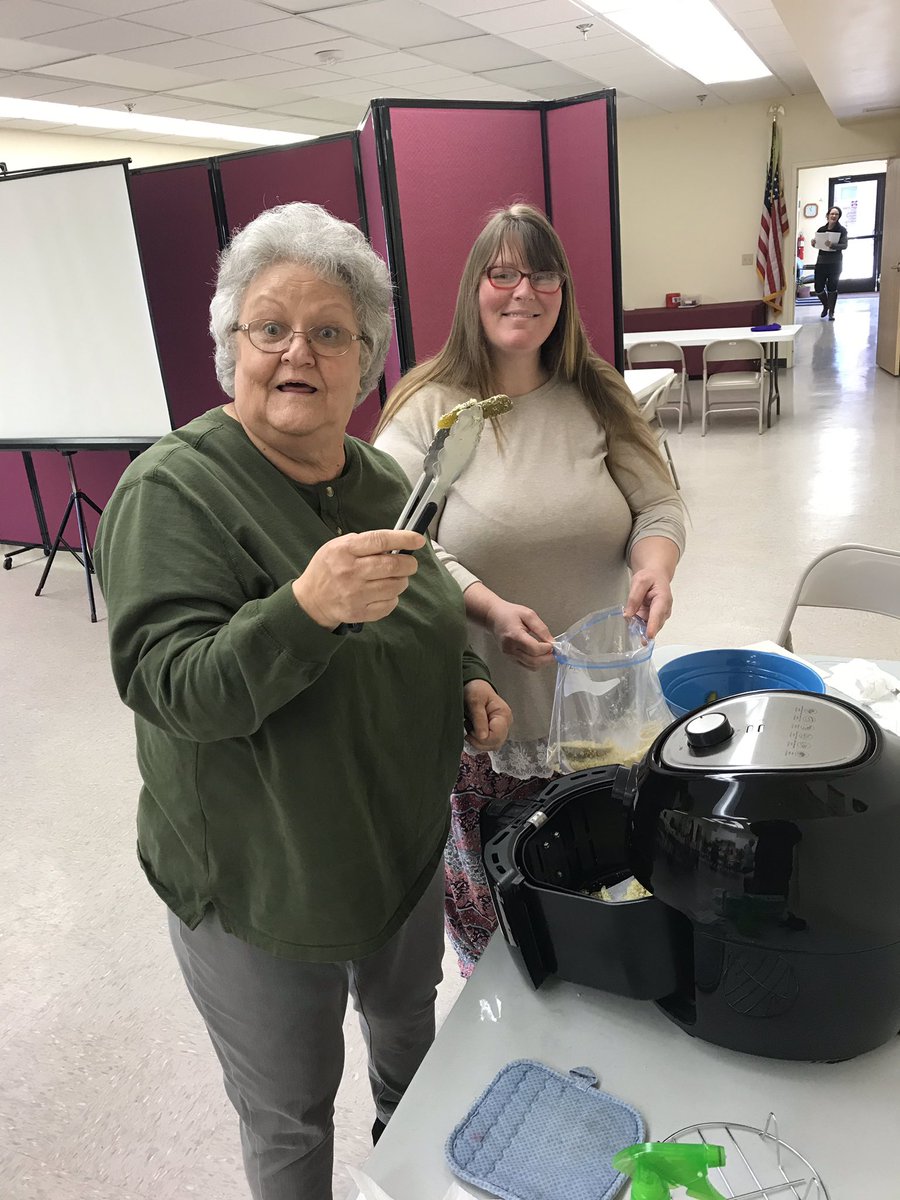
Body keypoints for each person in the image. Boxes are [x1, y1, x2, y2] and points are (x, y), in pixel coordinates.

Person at [94, 201, 511, 1200]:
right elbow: (168, 684)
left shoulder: (376, 478)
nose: (298, 353)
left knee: (410, 1037)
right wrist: (303, 610)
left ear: (364, 361)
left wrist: (462, 677)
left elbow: (417, 613)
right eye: (270, 327)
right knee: (289, 1112)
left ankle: (411, 1180)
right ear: (227, 347)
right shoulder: (174, 493)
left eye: (330, 334)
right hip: (262, 889)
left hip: (398, 856)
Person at [373, 203, 686, 976]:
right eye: (501, 272)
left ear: (563, 289)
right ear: (473, 290)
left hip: (604, 719)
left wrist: (656, 565)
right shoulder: (429, 407)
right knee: (507, 941)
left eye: (541, 272)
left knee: (611, 897)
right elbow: (394, 538)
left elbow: (659, 502)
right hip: (486, 725)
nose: (523, 291)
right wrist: (484, 603)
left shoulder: (598, 392)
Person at [811, 205, 848, 320]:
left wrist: (833, 245)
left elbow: (844, 245)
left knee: (832, 287)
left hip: (835, 263)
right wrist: (814, 243)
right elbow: (818, 244)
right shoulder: (821, 230)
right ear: (827, 216)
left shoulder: (842, 230)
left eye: (836, 214)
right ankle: (826, 305)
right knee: (818, 288)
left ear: (839, 217)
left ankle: (831, 311)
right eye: (832, 214)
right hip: (821, 263)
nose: (834, 216)